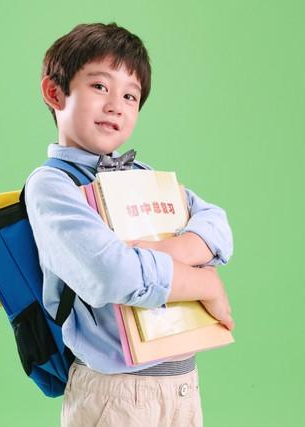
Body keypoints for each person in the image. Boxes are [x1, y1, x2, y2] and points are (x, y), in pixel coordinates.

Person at [24, 22, 234, 427]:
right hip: (114, 394)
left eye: (130, 95)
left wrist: (165, 251)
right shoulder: (52, 185)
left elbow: (217, 225)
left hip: (182, 384)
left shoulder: (143, 175)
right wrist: (204, 282)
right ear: (55, 92)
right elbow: (110, 273)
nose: (116, 105)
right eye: (99, 86)